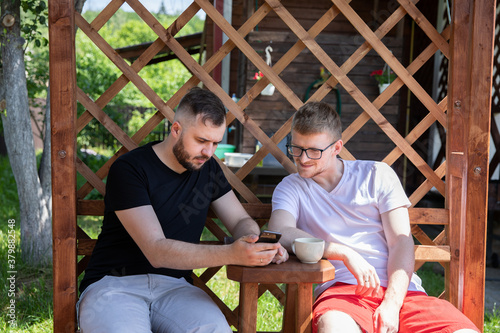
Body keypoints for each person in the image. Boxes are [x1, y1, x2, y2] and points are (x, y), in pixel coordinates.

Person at [77, 87, 287, 333]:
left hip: (175, 287)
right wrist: (232, 253)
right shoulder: (130, 169)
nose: (209, 152)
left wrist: (256, 240)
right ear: (176, 129)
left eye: (215, 143)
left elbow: (239, 219)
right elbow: (156, 250)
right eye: (201, 141)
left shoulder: (208, 169)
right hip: (113, 287)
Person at [268, 101, 479, 333]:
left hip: (403, 294)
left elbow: (401, 241)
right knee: (335, 327)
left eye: (314, 151)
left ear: (337, 147)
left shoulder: (377, 175)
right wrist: (345, 253)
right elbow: (281, 231)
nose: (303, 158)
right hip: (341, 294)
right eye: (296, 148)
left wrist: (391, 304)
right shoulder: (291, 187)